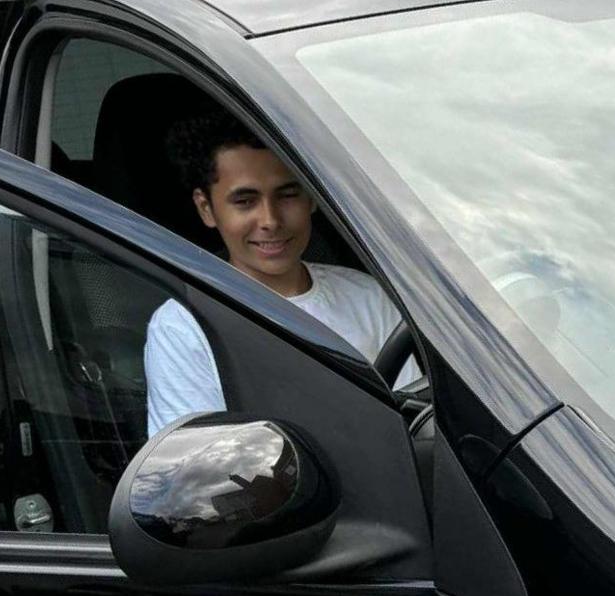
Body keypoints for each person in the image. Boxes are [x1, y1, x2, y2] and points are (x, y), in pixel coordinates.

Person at [144, 110, 418, 436]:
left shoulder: (369, 297)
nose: (270, 220)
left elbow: (416, 430)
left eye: (287, 195)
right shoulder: (185, 326)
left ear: (313, 197)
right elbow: (195, 468)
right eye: (245, 201)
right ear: (207, 208)